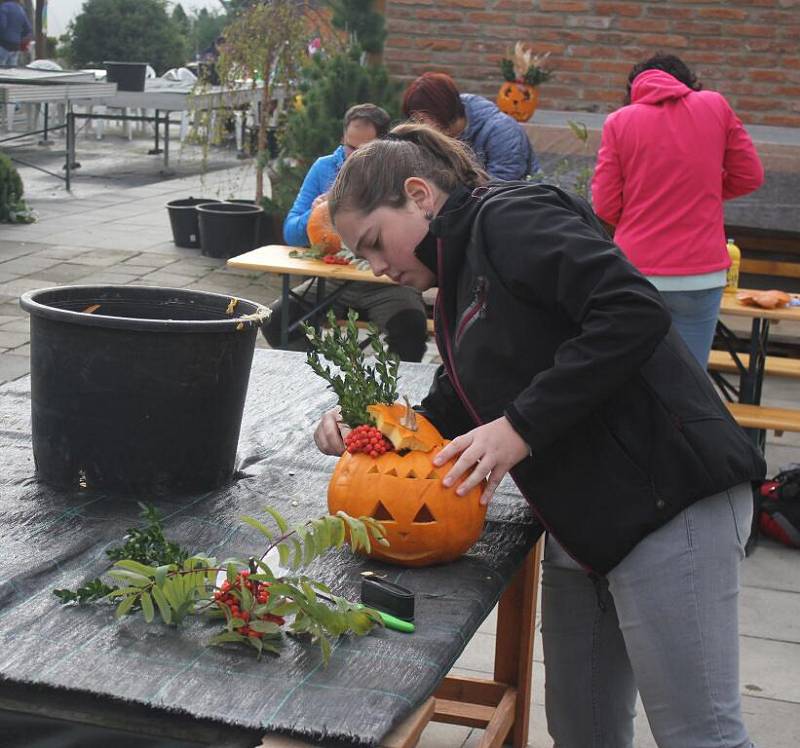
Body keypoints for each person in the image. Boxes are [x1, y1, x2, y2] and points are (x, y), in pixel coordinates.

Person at [313, 123, 766, 748]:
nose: (379, 267)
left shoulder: (511, 221)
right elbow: (457, 402)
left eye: (374, 243)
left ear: (418, 195)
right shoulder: (456, 279)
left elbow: (632, 310)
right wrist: (372, 434)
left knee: (699, 734)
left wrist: (521, 428)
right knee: (583, 728)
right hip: (585, 526)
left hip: (669, 500)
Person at [592, 53, 764, 366]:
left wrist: (641, 213)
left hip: (637, 268)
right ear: (688, 83)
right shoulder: (714, 106)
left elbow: (604, 204)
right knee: (691, 378)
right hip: (702, 272)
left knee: (635, 374)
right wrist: (702, 194)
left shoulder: (619, 121)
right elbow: (750, 176)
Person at [262, 104, 429, 362]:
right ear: (342, 139)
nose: (354, 157)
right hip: (333, 278)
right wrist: (321, 210)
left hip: (389, 281)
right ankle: (321, 374)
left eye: (365, 150)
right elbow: (291, 232)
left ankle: (388, 395)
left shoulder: (401, 173)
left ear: (385, 144)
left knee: (411, 333)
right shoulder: (325, 168)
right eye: (350, 147)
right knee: (276, 320)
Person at [402, 72, 538, 181]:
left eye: (422, 119)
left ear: (442, 111)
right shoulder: (431, 135)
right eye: (414, 120)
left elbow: (502, 189)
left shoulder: (502, 132)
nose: (418, 126)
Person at [0, 0, 32, 67]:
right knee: (11, 73)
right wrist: (19, 38)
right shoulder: (21, 10)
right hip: (15, 46)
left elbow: (2, 25)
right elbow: (28, 29)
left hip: (3, 45)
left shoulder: (4, 7)